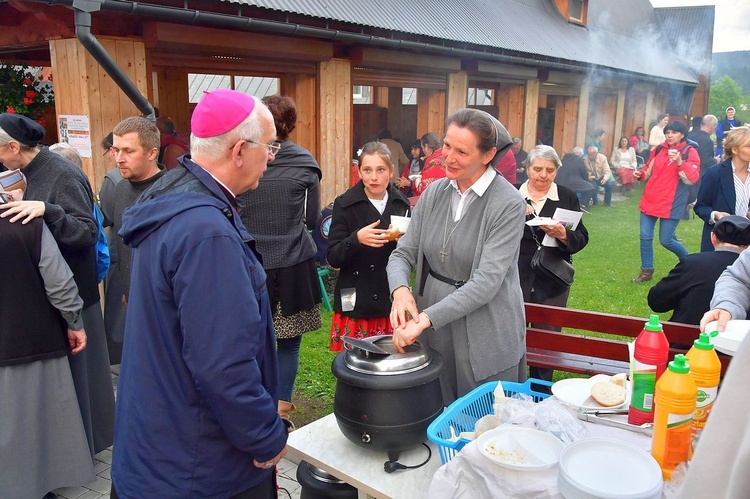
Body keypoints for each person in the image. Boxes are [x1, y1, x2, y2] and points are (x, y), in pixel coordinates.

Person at [111, 89, 288, 497]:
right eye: (269, 146)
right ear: (240, 150)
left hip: (157, 446)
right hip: (199, 467)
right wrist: (265, 435)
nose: (272, 157)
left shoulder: (172, 198)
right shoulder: (207, 233)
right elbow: (223, 362)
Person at [387, 109, 527, 405]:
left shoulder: (508, 203)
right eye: (447, 146)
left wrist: (425, 319)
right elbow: (404, 252)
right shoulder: (434, 192)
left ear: (488, 155)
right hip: (434, 319)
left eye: (461, 151)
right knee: (435, 406)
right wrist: (400, 290)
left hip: (485, 323)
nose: (448, 157)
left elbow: (486, 283)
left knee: (483, 418)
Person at [0, 113, 115, 457]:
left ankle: (88, 448)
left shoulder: (61, 173)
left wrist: (46, 210)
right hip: (47, 294)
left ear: (14, 147)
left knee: (83, 380)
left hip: (74, 295)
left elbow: (87, 232)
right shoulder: (23, 172)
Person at [237, 94, 322, 428]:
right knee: (288, 345)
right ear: (293, 123)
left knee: (249, 341)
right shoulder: (305, 161)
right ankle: (281, 413)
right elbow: (314, 218)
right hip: (292, 263)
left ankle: (253, 407)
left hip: (248, 262)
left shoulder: (244, 157)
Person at [0, 214, 95, 498]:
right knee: (32, 425)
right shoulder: (26, 223)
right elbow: (59, 283)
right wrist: (74, 322)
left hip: (22, 343)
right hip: (28, 341)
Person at [326, 142, 411, 351]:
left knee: (390, 363)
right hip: (356, 300)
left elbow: (413, 256)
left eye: (380, 170)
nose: (374, 177)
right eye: (367, 170)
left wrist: (405, 243)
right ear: (359, 172)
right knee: (354, 366)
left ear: (391, 172)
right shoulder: (345, 204)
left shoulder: (402, 205)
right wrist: (356, 240)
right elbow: (332, 256)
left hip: (388, 299)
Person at [517, 145, 589, 383]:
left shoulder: (566, 196)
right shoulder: (513, 194)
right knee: (512, 336)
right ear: (527, 168)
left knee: (546, 340)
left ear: (557, 171)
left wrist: (562, 234)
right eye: (537, 169)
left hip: (552, 279)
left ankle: (541, 390)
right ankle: (513, 386)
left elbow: (581, 238)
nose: (543, 175)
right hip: (515, 276)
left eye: (550, 170)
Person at [648, 215, 750, 327]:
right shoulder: (740, 274)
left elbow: (657, 302)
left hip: (684, 340)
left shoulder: (692, 263)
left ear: (713, 237)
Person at [632, 120, 700, 282]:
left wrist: (679, 162)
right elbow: (648, 169)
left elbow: (692, 179)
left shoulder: (689, 151)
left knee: (666, 240)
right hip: (651, 199)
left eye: (674, 132)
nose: (669, 135)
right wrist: (639, 174)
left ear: (682, 134)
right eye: (667, 132)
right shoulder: (659, 149)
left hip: (672, 202)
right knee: (645, 237)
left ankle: (691, 263)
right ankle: (646, 271)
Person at [105, 117, 165, 301]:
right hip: (133, 300)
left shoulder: (170, 194)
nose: (119, 159)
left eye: (128, 151)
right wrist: (128, 289)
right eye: (116, 150)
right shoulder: (121, 187)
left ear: (152, 153)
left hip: (160, 304)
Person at [694, 127, 750, 252]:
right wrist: (716, 215)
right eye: (749, 146)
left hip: (747, 244)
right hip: (720, 242)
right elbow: (701, 206)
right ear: (735, 149)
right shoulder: (715, 173)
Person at [98, 131, 126, 365]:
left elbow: (106, 216)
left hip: (118, 248)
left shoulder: (113, 179)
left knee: (117, 307)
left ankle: (116, 358)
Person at [412, 132, 446, 196]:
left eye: (422, 148)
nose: (423, 151)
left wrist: (417, 179)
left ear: (426, 146)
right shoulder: (444, 156)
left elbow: (422, 188)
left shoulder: (433, 163)